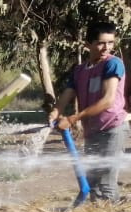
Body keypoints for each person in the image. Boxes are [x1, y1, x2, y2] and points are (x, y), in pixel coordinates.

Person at [50, 21, 127, 202]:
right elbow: (68, 93)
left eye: (110, 43)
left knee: (106, 184)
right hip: (92, 132)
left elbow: (108, 100)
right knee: (92, 183)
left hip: (112, 130)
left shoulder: (113, 64)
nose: (105, 48)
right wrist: (55, 112)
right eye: (100, 43)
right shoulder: (79, 70)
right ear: (88, 44)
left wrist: (73, 118)